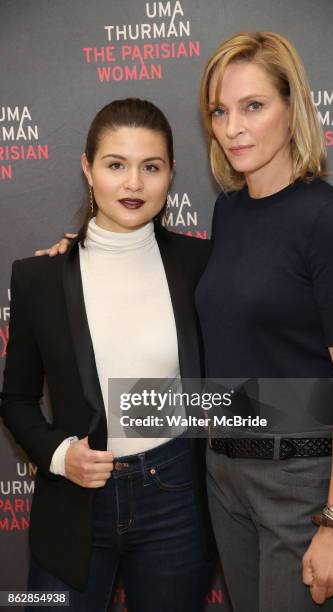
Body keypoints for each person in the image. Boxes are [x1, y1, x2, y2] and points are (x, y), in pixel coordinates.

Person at [0, 98, 216, 612]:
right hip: (73, 504)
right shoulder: (39, 278)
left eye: (151, 167)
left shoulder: (201, 263)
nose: (133, 185)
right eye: (116, 165)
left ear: (171, 174)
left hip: (176, 499)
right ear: (87, 169)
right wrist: (58, 456)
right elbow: (17, 399)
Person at [195, 31, 333, 611]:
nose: (233, 126)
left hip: (301, 481)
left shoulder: (329, 220)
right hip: (225, 474)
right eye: (220, 110)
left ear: (294, 110)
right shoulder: (227, 210)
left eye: (253, 106)